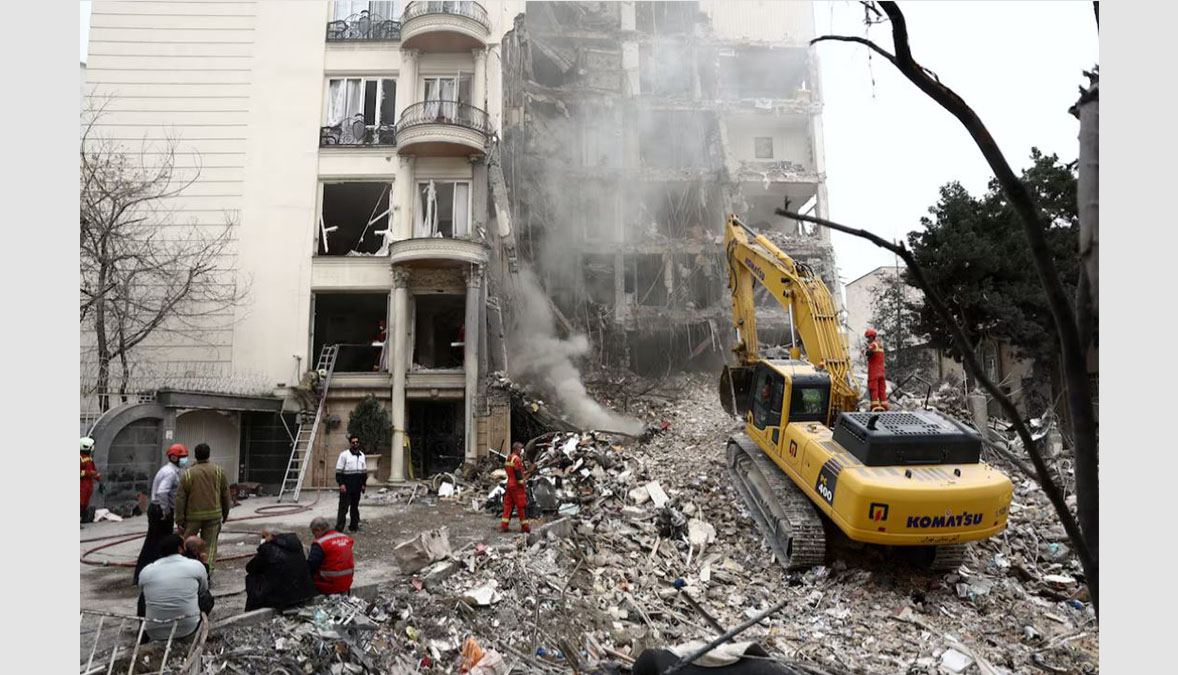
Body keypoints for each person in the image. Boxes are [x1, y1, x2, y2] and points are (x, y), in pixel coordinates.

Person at [138, 534, 208, 642]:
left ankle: (142, 634)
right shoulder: (195, 565)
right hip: (189, 627)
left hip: (154, 631)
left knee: (144, 596)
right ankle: (199, 629)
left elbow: (143, 591)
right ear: (180, 549)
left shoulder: (146, 571)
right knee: (206, 597)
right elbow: (203, 590)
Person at [135, 443, 189, 584]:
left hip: (158, 508)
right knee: (158, 542)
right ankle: (149, 573)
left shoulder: (169, 470)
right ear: (173, 457)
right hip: (160, 510)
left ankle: (146, 572)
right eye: (182, 457)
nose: (184, 460)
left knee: (154, 541)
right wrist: (165, 511)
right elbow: (162, 492)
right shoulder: (170, 473)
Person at [174, 443, 232, 575]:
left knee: (187, 543)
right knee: (210, 546)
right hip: (213, 515)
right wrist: (225, 513)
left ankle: (184, 571)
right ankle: (207, 571)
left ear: (195, 455)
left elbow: (180, 498)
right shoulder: (218, 471)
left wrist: (179, 519)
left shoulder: (188, 474)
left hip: (193, 516)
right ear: (209, 455)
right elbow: (225, 494)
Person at [244, 527, 317, 612]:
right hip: (303, 592)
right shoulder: (296, 545)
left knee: (252, 578)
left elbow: (250, 568)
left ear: (272, 536)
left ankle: (252, 609)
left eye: (264, 536)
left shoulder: (268, 549)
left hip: (281, 597)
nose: (263, 539)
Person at [307, 517, 355, 596]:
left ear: (318, 530)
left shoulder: (320, 543)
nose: (314, 536)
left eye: (313, 533)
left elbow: (311, 566)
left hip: (328, 586)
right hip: (347, 583)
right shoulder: (346, 538)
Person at [335, 435, 367, 533]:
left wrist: (363, 484)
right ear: (350, 443)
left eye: (357, 442)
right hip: (347, 486)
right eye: (353, 442)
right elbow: (339, 472)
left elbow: (364, 472)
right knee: (343, 508)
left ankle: (354, 526)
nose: (355, 444)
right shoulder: (344, 455)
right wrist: (341, 484)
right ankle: (339, 528)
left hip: (357, 487)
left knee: (355, 507)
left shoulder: (362, 455)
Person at [500, 442, 530, 533]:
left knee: (508, 505)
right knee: (521, 506)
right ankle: (525, 528)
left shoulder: (509, 458)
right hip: (517, 486)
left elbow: (509, 471)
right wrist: (522, 484)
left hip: (509, 484)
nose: (522, 450)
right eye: (521, 448)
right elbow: (518, 474)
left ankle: (504, 526)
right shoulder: (516, 459)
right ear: (517, 449)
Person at [863, 328, 889, 411]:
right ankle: (884, 406)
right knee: (882, 390)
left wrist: (863, 351)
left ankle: (875, 407)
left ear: (871, 337)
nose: (868, 340)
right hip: (881, 372)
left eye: (868, 338)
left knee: (873, 389)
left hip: (874, 372)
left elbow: (869, 353)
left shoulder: (873, 345)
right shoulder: (880, 345)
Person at [80, 437, 102, 524]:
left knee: (85, 503)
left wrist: (98, 477)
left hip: (88, 485)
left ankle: (83, 519)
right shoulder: (80, 458)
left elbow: (93, 470)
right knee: (80, 503)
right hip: (81, 485)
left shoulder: (89, 458)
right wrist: (90, 473)